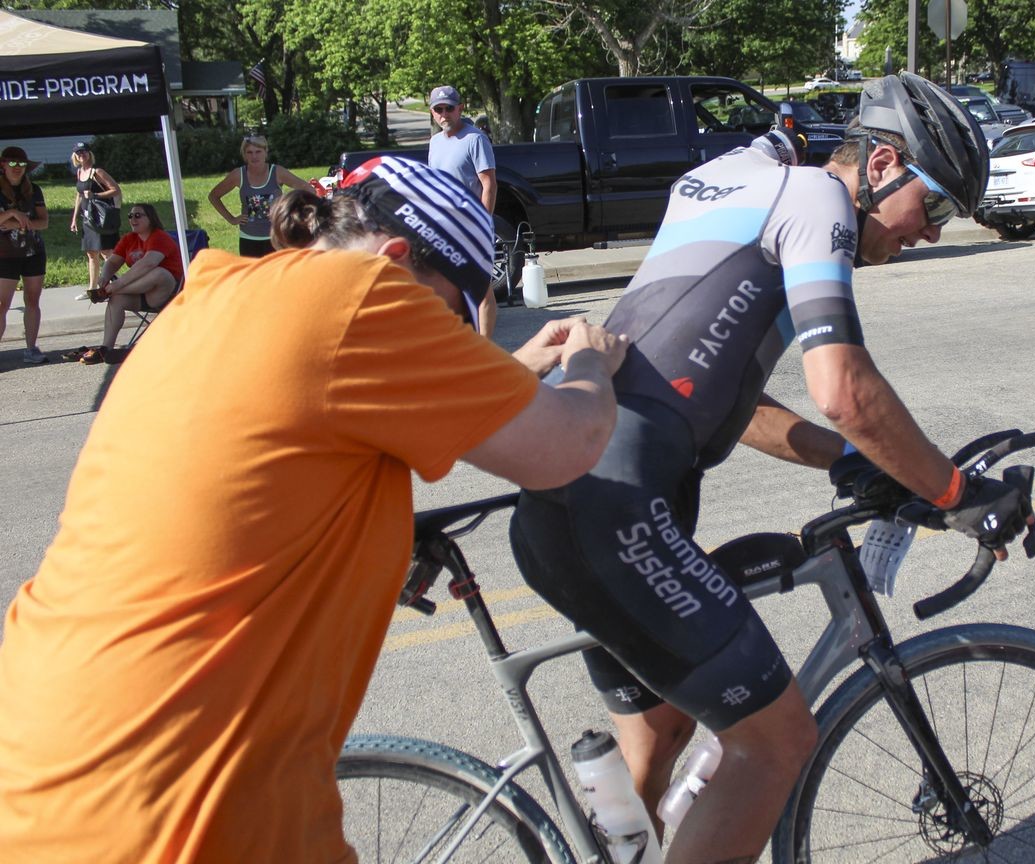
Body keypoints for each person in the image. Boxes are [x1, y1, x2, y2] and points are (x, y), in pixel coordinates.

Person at [0, 157, 627, 862]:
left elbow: (315, 426)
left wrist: (513, 374)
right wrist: (589, 367)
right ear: (393, 258)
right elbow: (567, 446)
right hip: (177, 795)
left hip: (57, 752)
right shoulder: (361, 296)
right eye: (451, 317)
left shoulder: (224, 297)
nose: (448, 338)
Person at [509, 74, 1034, 863]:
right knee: (779, 742)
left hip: (586, 496)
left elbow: (716, 400)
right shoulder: (818, 204)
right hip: (618, 512)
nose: (931, 233)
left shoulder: (752, 188)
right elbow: (845, 391)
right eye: (938, 207)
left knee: (653, 750)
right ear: (885, 163)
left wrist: (852, 463)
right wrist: (957, 494)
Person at [428, 85, 499, 337]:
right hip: (444, 226)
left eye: (449, 108)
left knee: (480, 288)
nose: (444, 114)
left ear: (460, 108)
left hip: (470, 225)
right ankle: (460, 340)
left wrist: (482, 222)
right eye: (439, 109)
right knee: (448, 286)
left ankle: (485, 346)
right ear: (433, 112)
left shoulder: (475, 139)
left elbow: (488, 183)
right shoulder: (435, 142)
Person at [74, 203, 184, 364]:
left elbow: (148, 263)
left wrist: (117, 286)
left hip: (167, 292)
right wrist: (104, 277)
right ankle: (106, 349)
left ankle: (114, 290)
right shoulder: (129, 239)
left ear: (151, 219)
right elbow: (112, 262)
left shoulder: (159, 237)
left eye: (138, 215)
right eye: (130, 216)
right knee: (116, 299)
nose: (133, 219)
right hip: (142, 294)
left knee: (158, 272)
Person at [207, 133, 309, 257]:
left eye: (258, 151)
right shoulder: (238, 175)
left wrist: (290, 214)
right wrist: (231, 219)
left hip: (276, 237)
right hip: (249, 238)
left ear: (265, 152)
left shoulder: (277, 172)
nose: (254, 156)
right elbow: (213, 196)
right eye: (249, 152)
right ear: (244, 155)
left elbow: (307, 189)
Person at [0, 146, 50, 364]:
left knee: (32, 299)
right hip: (5, 255)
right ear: (3, 166)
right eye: (12, 164)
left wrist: (19, 223)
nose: (17, 168)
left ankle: (31, 348)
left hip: (33, 252)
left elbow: (44, 222)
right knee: (2, 304)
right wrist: (11, 213)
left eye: (21, 164)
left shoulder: (34, 189)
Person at [68, 142, 122, 293]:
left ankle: (115, 285)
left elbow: (115, 190)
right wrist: (74, 219)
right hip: (87, 218)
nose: (81, 155)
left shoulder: (97, 172)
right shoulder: (79, 172)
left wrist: (95, 195)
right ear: (75, 156)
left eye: (84, 152)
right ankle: (92, 289)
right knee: (91, 253)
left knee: (106, 253)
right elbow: (79, 196)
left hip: (100, 219)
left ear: (89, 153)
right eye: (78, 153)